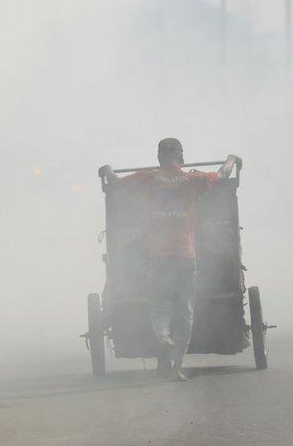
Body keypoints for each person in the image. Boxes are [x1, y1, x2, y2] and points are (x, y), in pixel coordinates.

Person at [99, 138, 239, 381]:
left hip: (159, 257)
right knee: (185, 312)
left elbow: (117, 184)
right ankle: (176, 368)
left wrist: (107, 169)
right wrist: (232, 159)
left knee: (160, 304)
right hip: (185, 256)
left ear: (159, 158)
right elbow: (223, 175)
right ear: (181, 157)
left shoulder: (148, 178)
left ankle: (162, 333)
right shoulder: (193, 180)